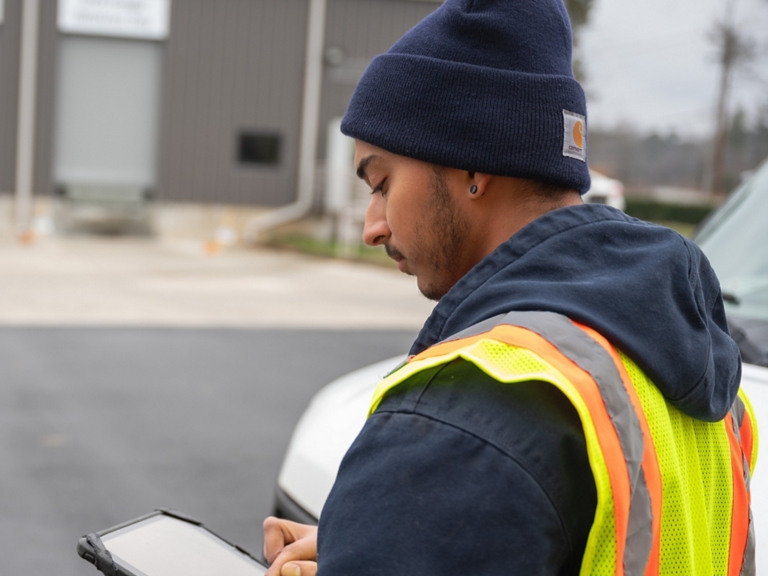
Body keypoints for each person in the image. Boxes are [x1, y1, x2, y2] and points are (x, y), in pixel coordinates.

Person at [263, 0, 757, 574]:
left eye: (381, 183)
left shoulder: (465, 408)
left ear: (474, 167)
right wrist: (388, 536)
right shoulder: (701, 381)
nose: (372, 226)